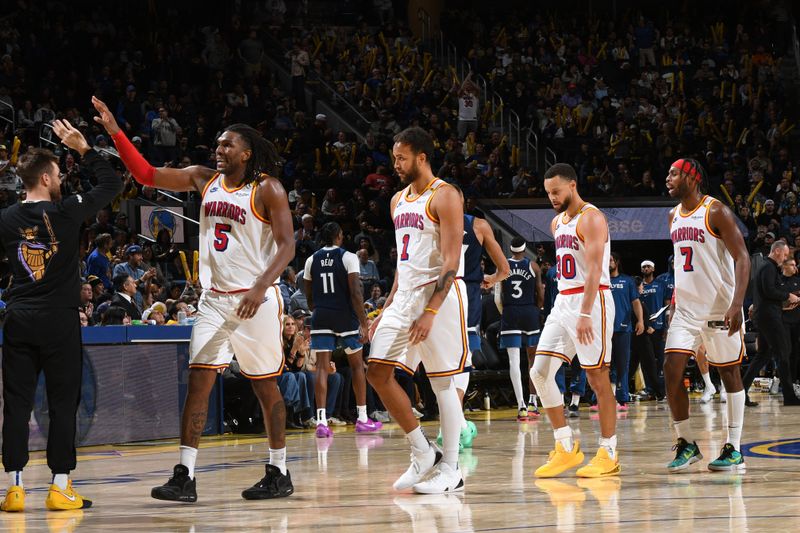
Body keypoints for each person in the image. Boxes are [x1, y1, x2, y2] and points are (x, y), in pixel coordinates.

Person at [94, 96, 296, 501]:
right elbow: (147, 174)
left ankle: (279, 469)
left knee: (266, 386)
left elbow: (288, 246)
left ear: (247, 152)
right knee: (198, 380)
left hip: (255, 301)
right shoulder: (203, 179)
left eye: (227, 145)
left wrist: (260, 287)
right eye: (217, 144)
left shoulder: (267, 188)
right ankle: (184, 475)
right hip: (215, 301)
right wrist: (116, 131)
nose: (218, 150)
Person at [0, 117, 123, 511]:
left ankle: (14, 489)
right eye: (58, 175)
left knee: (16, 403)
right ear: (48, 179)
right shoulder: (68, 212)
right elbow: (112, 185)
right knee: (62, 403)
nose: (61, 181)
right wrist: (84, 150)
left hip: (18, 316)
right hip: (59, 320)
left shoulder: (5, 219)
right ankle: (59, 486)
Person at [366, 127, 468, 494]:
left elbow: (451, 260)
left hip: (437, 297)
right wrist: (387, 307)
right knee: (376, 371)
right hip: (405, 294)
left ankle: (453, 468)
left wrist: (431, 311)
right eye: (395, 157)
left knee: (442, 382)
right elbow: (402, 262)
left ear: (421, 157)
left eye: (401, 158)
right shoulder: (396, 200)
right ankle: (423, 451)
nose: (395, 164)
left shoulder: (446, 196)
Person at [663, 158, 753, 474]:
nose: (667, 178)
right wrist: (675, 303)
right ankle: (686, 442)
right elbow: (682, 264)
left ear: (693, 177)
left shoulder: (716, 211)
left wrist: (736, 304)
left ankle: (734, 448)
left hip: (720, 306)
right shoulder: (673, 215)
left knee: (729, 374)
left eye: (674, 173)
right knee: (671, 371)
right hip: (687, 309)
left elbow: (742, 258)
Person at [531, 162, 618, 479]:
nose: (551, 197)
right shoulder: (556, 223)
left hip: (592, 301)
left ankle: (609, 451)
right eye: (548, 193)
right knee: (539, 372)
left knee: (597, 377)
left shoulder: (591, 217)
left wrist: (584, 311)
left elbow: (596, 268)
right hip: (563, 300)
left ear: (572, 185)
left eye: (556, 191)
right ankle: (565, 446)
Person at [436, 187, 510, 448]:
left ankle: (452, 423)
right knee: (463, 364)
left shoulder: (433, 222)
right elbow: (504, 269)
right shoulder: (478, 225)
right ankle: (454, 425)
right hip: (465, 295)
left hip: (438, 295)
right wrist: (489, 279)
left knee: (442, 367)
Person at [303, 221, 380, 437]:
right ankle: (363, 418)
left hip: (321, 314)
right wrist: (363, 323)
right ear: (338, 236)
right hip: (344, 316)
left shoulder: (311, 259)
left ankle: (321, 422)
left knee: (321, 367)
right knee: (357, 366)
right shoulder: (348, 257)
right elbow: (356, 292)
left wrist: (317, 309)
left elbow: (308, 293)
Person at [741, 241, 800, 407]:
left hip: (765, 315)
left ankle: (742, 393)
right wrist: (788, 296)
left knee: (763, 356)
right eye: (785, 254)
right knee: (784, 354)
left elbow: (766, 293)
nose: (785, 258)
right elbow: (769, 291)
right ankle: (789, 397)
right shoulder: (768, 267)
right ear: (778, 251)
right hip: (769, 317)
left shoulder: (766, 267)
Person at [495, 236, 543, 421]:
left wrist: (505, 313)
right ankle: (533, 402)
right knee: (533, 359)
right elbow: (540, 292)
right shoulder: (533, 266)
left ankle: (521, 406)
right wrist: (535, 310)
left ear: (510, 248)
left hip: (510, 313)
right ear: (524, 248)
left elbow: (497, 298)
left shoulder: (503, 266)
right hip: (529, 312)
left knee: (513, 362)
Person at [608, 252, 644, 410]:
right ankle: (605, 398)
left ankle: (622, 398)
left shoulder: (628, 280)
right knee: (606, 365)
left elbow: (636, 302)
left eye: (610, 260)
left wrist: (641, 321)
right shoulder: (601, 280)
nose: (608, 263)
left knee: (623, 363)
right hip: (605, 329)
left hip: (623, 328)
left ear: (616, 262)